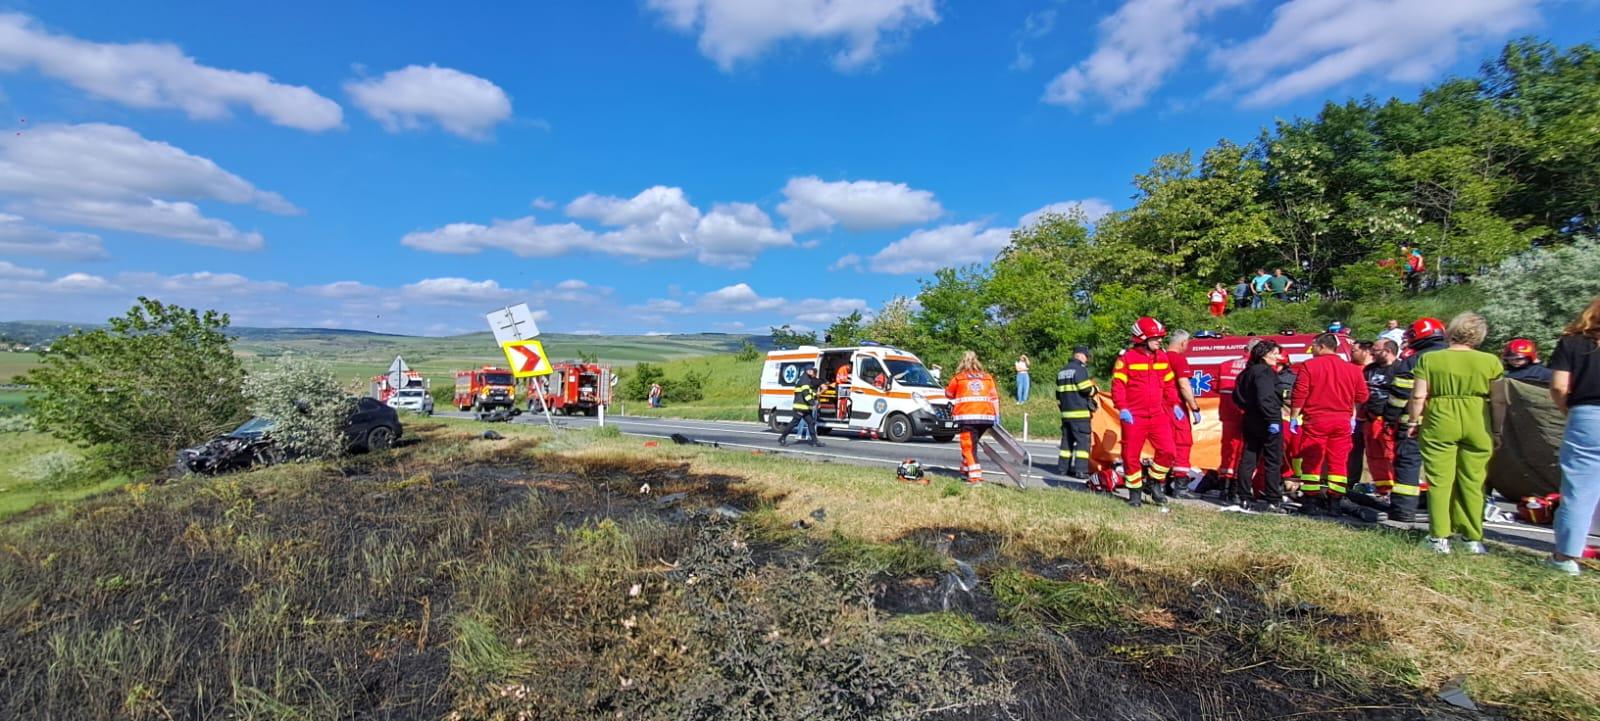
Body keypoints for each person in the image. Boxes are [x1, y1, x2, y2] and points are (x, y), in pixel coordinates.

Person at [1407, 312, 1502, 554]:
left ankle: (1439, 537)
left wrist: (1413, 420)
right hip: (1477, 419)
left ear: (1451, 331)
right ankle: (1471, 538)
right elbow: (1500, 400)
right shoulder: (1491, 361)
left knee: (1440, 480)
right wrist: (1498, 429)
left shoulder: (1430, 360)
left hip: (1440, 417)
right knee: (1473, 480)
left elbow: (1419, 395)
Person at [1289, 333, 1370, 515]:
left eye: (1313, 347)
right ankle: (1335, 502)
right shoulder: (1353, 369)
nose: (1312, 351)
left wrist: (1294, 416)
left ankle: (1310, 501)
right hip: (1342, 421)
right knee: (1338, 463)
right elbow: (1363, 396)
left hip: (1316, 420)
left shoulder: (1309, 366)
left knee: (1311, 461)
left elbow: (1300, 393)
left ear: (1321, 346)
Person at [1378, 317, 1448, 522]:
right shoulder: (1454, 356)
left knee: (1408, 464)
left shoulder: (1415, 360)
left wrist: (1389, 418)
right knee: (1445, 467)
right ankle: (1447, 510)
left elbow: (1400, 394)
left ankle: (1404, 510)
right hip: (1449, 421)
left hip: (1414, 423)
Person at [1549, 297, 1600, 576]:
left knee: (1578, 489)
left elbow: (1559, 386)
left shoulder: (1572, 343)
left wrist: (1567, 409)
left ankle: (1565, 557)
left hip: (1587, 414)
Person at [1112, 317, 1179, 508]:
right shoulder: (1127, 358)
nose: (1160, 341)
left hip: (1157, 414)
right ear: (1142, 338)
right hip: (1134, 415)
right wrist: (1122, 407)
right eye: (1156, 338)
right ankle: (1135, 492)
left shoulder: (1162, 357)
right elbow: (1118, 385)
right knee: (1131, 455)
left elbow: (1168, 383)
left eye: (1161, 338)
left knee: (1168, 450)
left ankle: (1154, 481)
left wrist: (1174, 403)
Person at [1232, 340, 1287, 513]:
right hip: (1266, 420)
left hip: (1250, 418)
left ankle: (1243, 496)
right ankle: (1273, 499)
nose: (1278, 357)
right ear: (1264, 355)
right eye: (1275, 353)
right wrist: (1272, 420)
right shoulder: (1264, 372)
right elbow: (1266, 397)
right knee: (1273, 460)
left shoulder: (1245, 373)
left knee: (1249, 457)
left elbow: (1237, 396)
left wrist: (1249, 408)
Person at [946, 351, 1000, 485]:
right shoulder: (987, 377)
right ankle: (965, 470)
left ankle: (975, 477)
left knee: (968, 447)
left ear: (962, 362)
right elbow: (994, 397)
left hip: (967, 417)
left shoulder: (959, 378)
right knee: (972, 444)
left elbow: (948, 394)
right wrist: (997, 415)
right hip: (986, 418)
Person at [1356, 340, 1400, 501]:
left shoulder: (1400, 369)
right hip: (1370, 419)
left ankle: (1397, 489)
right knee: (1374, 456)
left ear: (1388, 350)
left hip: (1389, 420)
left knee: (1391, 454)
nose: (1372, 353)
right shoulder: (1369, 370)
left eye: (1376, 350)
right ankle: (1383, 490)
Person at [1215, 339, 1258, 502]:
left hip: (1227, 414)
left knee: (1227, 450)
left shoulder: (1225, 365)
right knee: (1245, 452)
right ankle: (1236, 489)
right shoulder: (1257, 368)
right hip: (1247, 414)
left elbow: (1216, 387)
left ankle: (1224, 487)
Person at [1165, 330, 1202, 497]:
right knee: (1182, 443)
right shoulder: (1178, 359)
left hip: (1159, 407)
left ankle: (1163, 483)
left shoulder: (1159, 357)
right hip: (1176, 407)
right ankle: (1180, 487)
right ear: (1182, 343)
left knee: (1165, 445)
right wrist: (1194, 407)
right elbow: (1184, 386)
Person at [1055, 346, 1098, 478]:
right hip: (1079, 414)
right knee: (1082, 443)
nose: (1087, 359)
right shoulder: (1079, 369)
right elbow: (1085, 389)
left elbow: (1058, 394)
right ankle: (1081, 471)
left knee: (1066, 443)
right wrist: (1094, 390)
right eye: (1086, 356)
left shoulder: (1062, 371)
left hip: (1066, 414)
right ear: (1080, 355)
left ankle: (1063, 469)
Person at [778, 367, 826, 447]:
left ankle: (815, 441)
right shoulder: (804, 380)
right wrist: (813, 403)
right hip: (800, 407)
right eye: (810, 370)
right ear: (807, 371)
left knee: (811, 422)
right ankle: (782, 438)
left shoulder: (806, 379)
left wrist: (815, 397)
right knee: (794, 423)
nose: (812, 371)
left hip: (805, 408)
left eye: (812, 370)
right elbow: (805, 394)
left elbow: (809, 393)